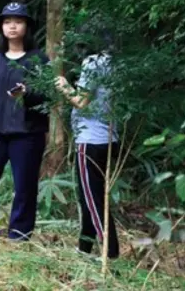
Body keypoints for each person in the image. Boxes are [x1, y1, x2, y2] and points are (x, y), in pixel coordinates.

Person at [0, 2, 49, 241]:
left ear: (27, 26)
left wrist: (27, 93)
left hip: (27, 134)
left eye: (18, 21)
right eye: (7, 22)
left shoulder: (38, 59)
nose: (12, 26)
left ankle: (19, 234)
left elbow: (47, 97)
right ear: (1, 27)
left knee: (24, 186)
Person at [54, 27, 120, 259]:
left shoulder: (93, 62)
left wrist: (64, 85)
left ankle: (109, 254)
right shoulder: (116, 63)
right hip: (109, 138)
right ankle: (84, 248)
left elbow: (81, 101)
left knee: (92, 199)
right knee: (90, 197)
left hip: (90, 139)